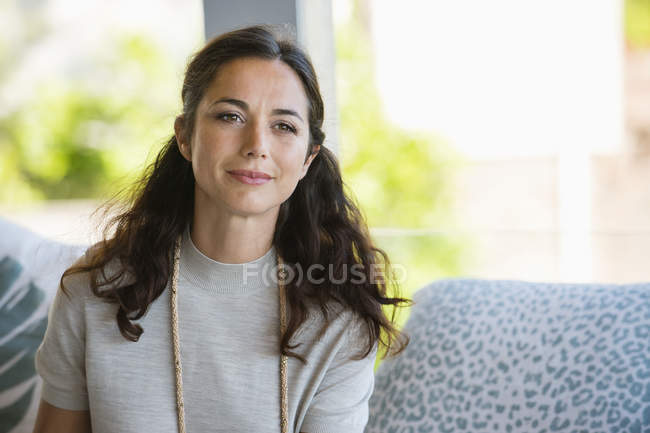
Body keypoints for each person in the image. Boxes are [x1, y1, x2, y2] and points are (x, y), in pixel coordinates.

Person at [32, 25, 411, 433]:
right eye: (230, 116)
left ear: (307, 159)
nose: (256, 144)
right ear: (185, 136)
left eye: (284, 126)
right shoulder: (96, 288)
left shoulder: (339, 322)